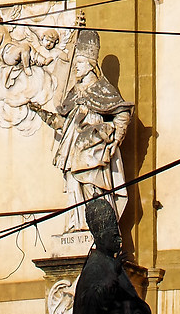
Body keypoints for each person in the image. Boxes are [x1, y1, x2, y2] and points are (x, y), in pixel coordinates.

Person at [31, 23, 132, 226]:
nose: (76, 66)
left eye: (80, 62)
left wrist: (116, 138)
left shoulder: (102, 89)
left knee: (94, 187)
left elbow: (122, 112)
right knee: (73, 185)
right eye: (75, 62)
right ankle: (78, 225)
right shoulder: (74, 93)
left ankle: (97, 228)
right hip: (72, 150)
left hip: (93, 149)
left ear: (91, 65)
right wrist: (40, 112)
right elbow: (63, 124)